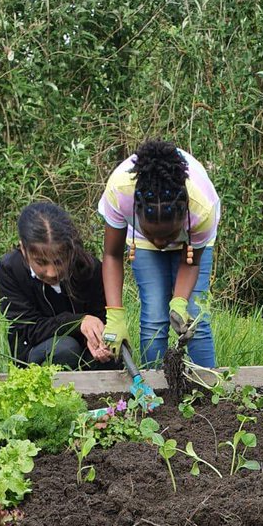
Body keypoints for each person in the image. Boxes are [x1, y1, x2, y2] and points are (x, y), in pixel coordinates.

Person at [99, 140, 219, 368]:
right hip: (141, 241)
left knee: (195, 320)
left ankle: (207, 392)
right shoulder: (120, 192)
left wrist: (180, 301)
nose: (161, 244)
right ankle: (154, 394)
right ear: (136, 212)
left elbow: (191, 262)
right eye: (154, 235)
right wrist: (115, 315)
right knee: (154, 319)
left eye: (168, 235)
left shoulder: (201, 209)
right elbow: (112, 255)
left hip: (190, 240)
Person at [0, 202, 112, 368]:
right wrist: (77, 322)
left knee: (112, 353)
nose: (51, 272)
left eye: (58, 261)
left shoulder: (89, 268)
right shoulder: (10, 270)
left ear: (69, 250)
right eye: (41, 262)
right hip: (35, 349)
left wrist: (98, 340)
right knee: (65, 348)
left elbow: (102, 317)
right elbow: (28, 328)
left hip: (84, 349)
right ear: (23, 249)